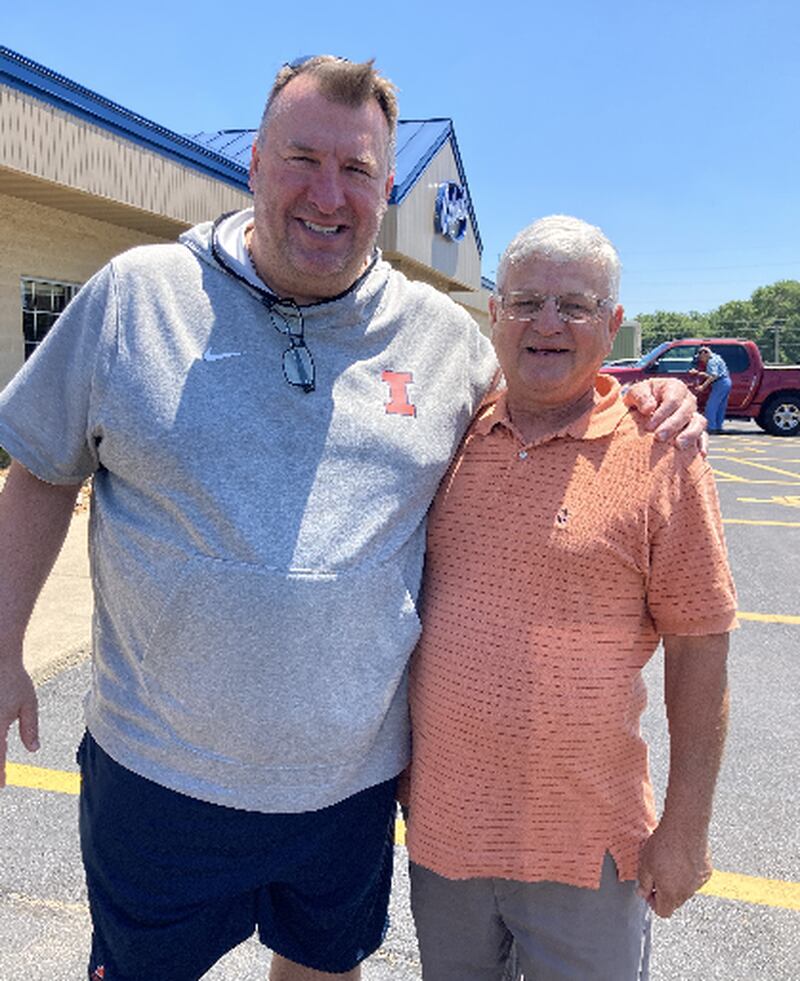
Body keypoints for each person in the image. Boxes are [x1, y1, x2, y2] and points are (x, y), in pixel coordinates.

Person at [0, 59, 701, 980]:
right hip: (157, 775)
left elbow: (546, 391)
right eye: (302, 158)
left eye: (358, 170)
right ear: (253, 163)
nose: (328, 194)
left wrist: (639, 395)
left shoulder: (444, 340)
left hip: (346, 788)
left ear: (385, 189)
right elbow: (43, 470)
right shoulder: (136, 296)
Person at [404, 216, 737, 980]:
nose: (546, 324)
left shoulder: (662, 450)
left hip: (587, 844)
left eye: (575, 305)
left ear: (612, 325)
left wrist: (686, 825)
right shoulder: (451, 434)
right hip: (446, 831)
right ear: (493, 314)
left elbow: (701, 645)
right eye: (525, 301)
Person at [690, 345, 732, 433]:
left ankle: (711, 427)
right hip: (725, 382)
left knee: (711, 406)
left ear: (704, 353)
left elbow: (713, 376)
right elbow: (712, 374)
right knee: (720, 407)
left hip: (720, 383)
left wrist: (703, 386)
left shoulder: (711, 361)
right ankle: (718, 426)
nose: (701, 360)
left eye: (701, 357)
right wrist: (699, 373)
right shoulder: (716, 357)